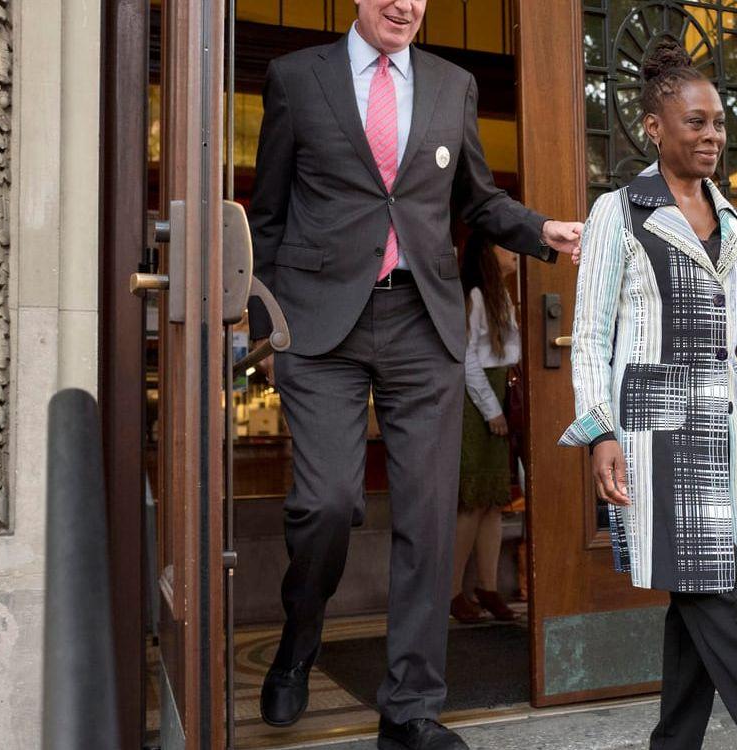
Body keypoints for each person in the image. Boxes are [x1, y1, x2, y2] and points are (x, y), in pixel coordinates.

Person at [244, 1, 583, 747]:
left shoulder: (452, 83)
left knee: (430, 519)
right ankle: (300, 641)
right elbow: (266, 210)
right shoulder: (297, 80)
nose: (405, 4)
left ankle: (411, 712)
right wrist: (264, 321)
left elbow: (477, 200)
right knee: (326, 503)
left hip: (421, 321)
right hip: (320, 322)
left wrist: (540, 231)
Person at [559, 40, 737, 750]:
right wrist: (600, 433)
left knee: (701, 605)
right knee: (721, 605)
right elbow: (591, 336)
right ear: (655, 128)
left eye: (719, 122)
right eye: (695, 123)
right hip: (656, 445)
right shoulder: (619, 215)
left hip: (724, 440)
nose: (713, 135)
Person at [449, 234, 520, 625]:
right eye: (505, 247)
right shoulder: (476, 296)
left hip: (498, 395)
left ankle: (488, 588)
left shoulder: (502, 295)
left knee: (493, 502)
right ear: (487, 253)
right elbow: (467, 360)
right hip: (479, 403)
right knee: (473, 501)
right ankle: (454, 591)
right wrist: (492, 410)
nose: (513, 253)